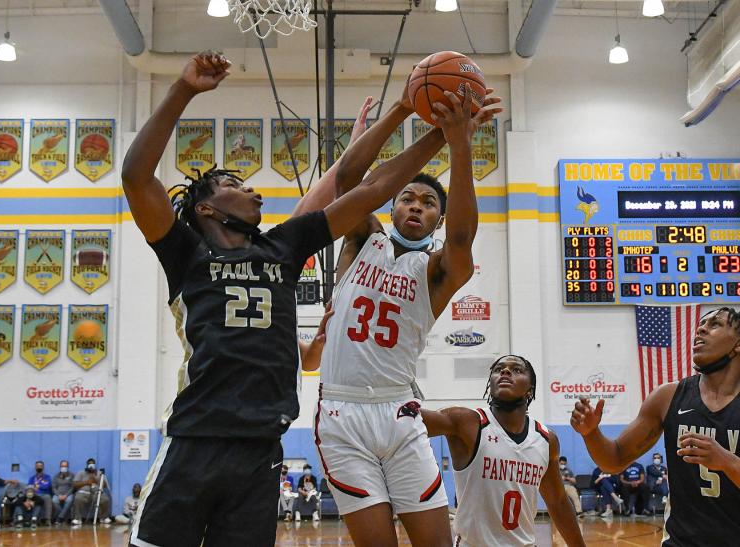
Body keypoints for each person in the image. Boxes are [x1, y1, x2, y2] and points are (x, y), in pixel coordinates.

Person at [123, 51, 473, 547]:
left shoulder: (282, 247)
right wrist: (183, 90)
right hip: (196, 437)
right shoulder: (185, 254)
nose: (256, 194)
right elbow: (137, 177)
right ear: (205, 208)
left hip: (262, 448)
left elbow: (372, 187)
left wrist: (436, 126)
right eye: (237, 186)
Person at [311, 71, 503, 545]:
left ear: (438, 216)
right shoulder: (360, 241)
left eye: (430, 202)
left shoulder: (439, 271)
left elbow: (463, 237)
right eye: (408, 198)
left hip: (400, 412)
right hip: (342, 412)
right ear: (392, 208)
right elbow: (350, 179)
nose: (417, 206)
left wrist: (460, 144)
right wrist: (400, 109)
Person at [571, 307, 740, 544]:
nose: (701, 328)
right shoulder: (668, 397)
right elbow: (614, 458)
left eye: (715, 324)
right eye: (701, 323)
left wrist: (727, 461)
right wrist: (590, 433)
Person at [418, 355, 585, 547]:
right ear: (490, 384)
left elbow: (558, 502)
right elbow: (410, 423)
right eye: (499, 369)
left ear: (530, 390)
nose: (505, 371)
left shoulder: (546, 440)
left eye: (516, 370)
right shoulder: (466, 422)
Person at [71, 458, 111, 525]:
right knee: (78, 498)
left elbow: (104, 485)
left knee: (105, 499)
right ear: (87, 465)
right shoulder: (81, 473)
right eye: (89, 464)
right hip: (84, 493)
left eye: (92, 464)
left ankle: (104, 518)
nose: (91, 465)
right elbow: (74, 484)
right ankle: (77, 518)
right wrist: (86, 482)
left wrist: (96, 478)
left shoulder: (99, 473)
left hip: (96, 493)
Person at [52, 460, 74, 524]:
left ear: (68, 467)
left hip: (68, 494)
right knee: (54, 501)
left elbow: (73, 487)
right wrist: (58, 495)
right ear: (60, 467)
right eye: (62, 466)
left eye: (65, 466)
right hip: (58, 494)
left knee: (69, 500)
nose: (63, 467)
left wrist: (66, 495)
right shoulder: (56, 476)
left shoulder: (72, 475)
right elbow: (54, 487)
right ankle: (64, 517)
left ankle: (60, 517)